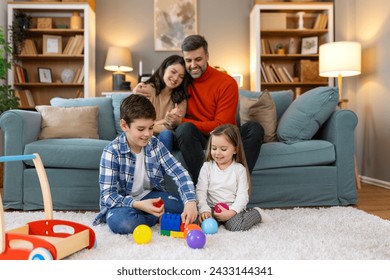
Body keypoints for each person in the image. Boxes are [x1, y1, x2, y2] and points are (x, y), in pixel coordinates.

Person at [135, 35, 264, 185]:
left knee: (254, 128)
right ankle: (204, 185)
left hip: (224, 135)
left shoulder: (226, 82)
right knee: (184, 129)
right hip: (195, 139)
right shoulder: (183, 82)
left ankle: (237, 184)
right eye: (188, 60)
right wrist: (138, 88)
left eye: (198, 59)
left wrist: (181, 120)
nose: (193, 65)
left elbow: (223, 124)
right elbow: (161, 84)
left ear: (207, 57)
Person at [93, 94, 198, 234]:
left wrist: (190, 201)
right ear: (124, 125)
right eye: (141, 129)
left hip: (149, 196)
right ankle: (153, 217)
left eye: (151, 127)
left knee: (183, 207)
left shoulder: (155, 144)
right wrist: (138, 205)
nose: (148, 134)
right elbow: (108, 196)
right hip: (123, 204)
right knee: (124, 223)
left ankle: (148, 215)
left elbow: (179, 172)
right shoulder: (112, 152)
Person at [196, 124, 272, 232]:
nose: (217, 153)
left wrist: (232, 211)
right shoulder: (207, 167)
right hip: (212, 209)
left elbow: (243, 195)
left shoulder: (239, 169)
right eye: (214, 148)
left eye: (223, 149)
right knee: (199, 222)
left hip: (231, 208)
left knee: (237, 226)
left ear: (235, 150)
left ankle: (257, 213)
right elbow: (200, 191)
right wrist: (204, 210)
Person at [133, 55, 192, 152]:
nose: (176, 78)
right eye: (173, 72)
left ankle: (160, 165)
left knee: (166, 133)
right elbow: (139, 124)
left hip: (165, 138)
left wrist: (156, 125)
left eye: (181, 77)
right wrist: (164, 120)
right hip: (144, 136)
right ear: (164, 69)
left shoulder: (181, 98)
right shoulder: (147, 89)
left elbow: (170, 128)